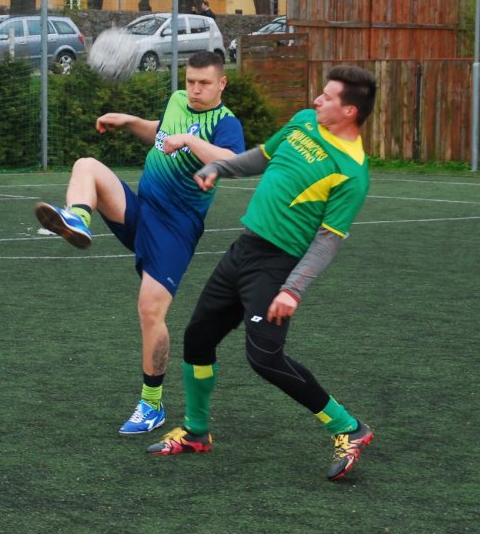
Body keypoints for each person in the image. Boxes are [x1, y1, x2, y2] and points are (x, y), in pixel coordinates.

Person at [146, 65, 378, 481]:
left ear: (350, 111)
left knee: (264, 358)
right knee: (198, 338)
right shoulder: (303, 122)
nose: (317, 100)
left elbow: (327, 240)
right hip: (244, 249)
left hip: (278, 265)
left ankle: (349, 427)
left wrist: (293, 289)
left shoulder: (352, 172)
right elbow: (262, 156)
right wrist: (220, 168)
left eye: (327, 97)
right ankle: (196, 432)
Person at [35, 51, 245, 435]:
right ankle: (78, 219)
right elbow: (161, 134)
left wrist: (189, 140)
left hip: (176, 228)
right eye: (190, 81)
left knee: (150, 310)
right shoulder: (177, 100)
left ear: (222, 83)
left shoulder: (225, 123)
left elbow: (232, 161)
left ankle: (152, 404)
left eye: (204, 83)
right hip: (142, 209)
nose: (195, 90)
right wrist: (131, 121)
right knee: (86, 165)